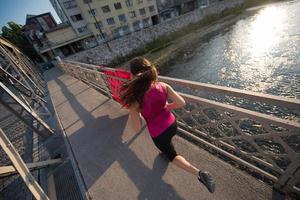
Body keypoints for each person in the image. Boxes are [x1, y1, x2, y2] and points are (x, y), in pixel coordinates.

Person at [120, 57, 215, 193]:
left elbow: (136, 128)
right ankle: (165, 149)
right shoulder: (162, 85)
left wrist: (135, 112)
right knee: (167, 143)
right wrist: (167, 106)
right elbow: (181, 103)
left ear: (133, 75)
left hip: (158, 134)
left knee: (172, 156)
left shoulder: (136, 98)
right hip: (172, 124)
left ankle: (199, 173)